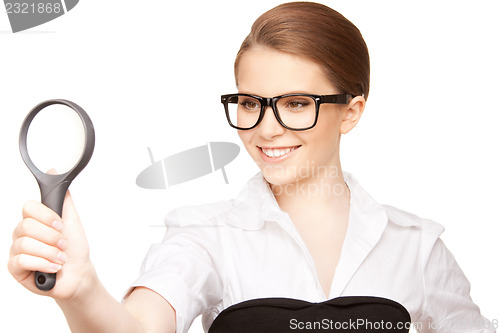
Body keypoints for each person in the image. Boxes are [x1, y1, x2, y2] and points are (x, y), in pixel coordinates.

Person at [8, 2, 495, 333]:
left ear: (352, 111)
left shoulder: (419, 248)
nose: (266, 129)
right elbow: (138, 326)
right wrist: (81, 290)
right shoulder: (204, 236)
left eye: (297, 103)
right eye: (250, 102)